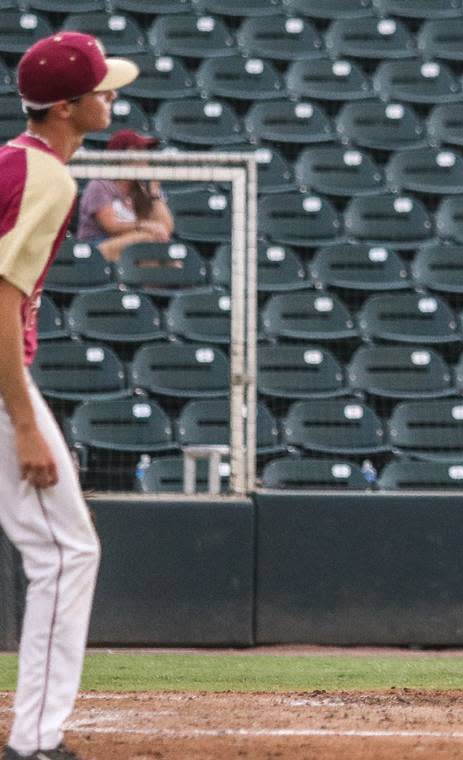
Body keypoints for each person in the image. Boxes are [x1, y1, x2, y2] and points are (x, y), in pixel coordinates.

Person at [0, 32, 138, 760]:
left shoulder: (10, 160)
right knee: (64, 552)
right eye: (100, 90)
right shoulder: (49, 178)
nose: (110, 98)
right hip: (0, 385)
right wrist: (24, 422)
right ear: (67, 106)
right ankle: (35, 741)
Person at [76, 128, 173, 264]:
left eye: (145, 151)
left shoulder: (143, 189)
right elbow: (111, 226)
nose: (145, 157)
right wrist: (146, 226)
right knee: (147, 240)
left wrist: (154, 193)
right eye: (138, 151)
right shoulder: (100, 185)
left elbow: (166, 228)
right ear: (121, 156)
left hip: (135, 247)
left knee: (169, 255)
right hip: (96, 250)